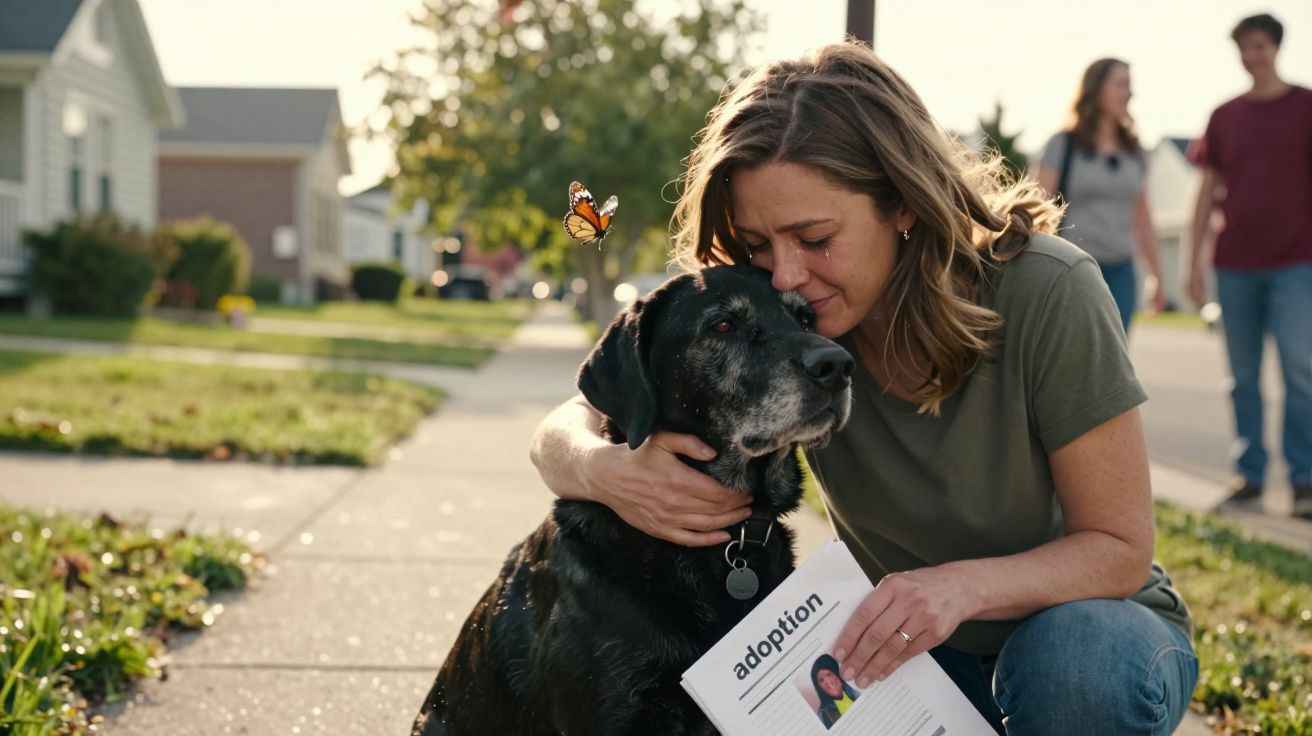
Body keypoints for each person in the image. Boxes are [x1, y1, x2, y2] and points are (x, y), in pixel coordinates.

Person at [530, 43, 1197, 734]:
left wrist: (958, 588)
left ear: (902, 204)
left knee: (1077, 667)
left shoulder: (1048, 289)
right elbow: (570, 421)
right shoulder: (792, 319)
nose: (785, 274)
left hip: (1088, 627)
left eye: (814, 237)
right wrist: (603, 471)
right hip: (913, 654)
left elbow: (1119, 548)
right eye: (757, 244)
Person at [1186, 13, 1312, 519]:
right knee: (1242, 377)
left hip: (1297, 262)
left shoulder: (1305, 106)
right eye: (1244, 47)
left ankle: (1304, 480)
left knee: (1300, 370)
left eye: (1259, 46)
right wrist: (1193, 262)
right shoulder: (1224, 116)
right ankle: (1250, 477)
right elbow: (1205, 191)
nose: (1252, 55)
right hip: (1234, 263)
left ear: (1276, 47)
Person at [1036, 57, 1166, 334]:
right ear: (1096, 89)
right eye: (1122, 84)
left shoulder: (1135, 152)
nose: (1130, 93)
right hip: (1072, 267)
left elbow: (1143, 219)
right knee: (1072, 348)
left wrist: (1157, 275)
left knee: (1114, 351)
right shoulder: (1063, 145)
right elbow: (1038, 210)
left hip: (1121, 270)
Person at [810, 653, 859, 728]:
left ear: (837, 673)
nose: (828, 681)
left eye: (829, 674)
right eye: (821, 680)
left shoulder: (856, 690)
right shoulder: (823, 716)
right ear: (819, 687)